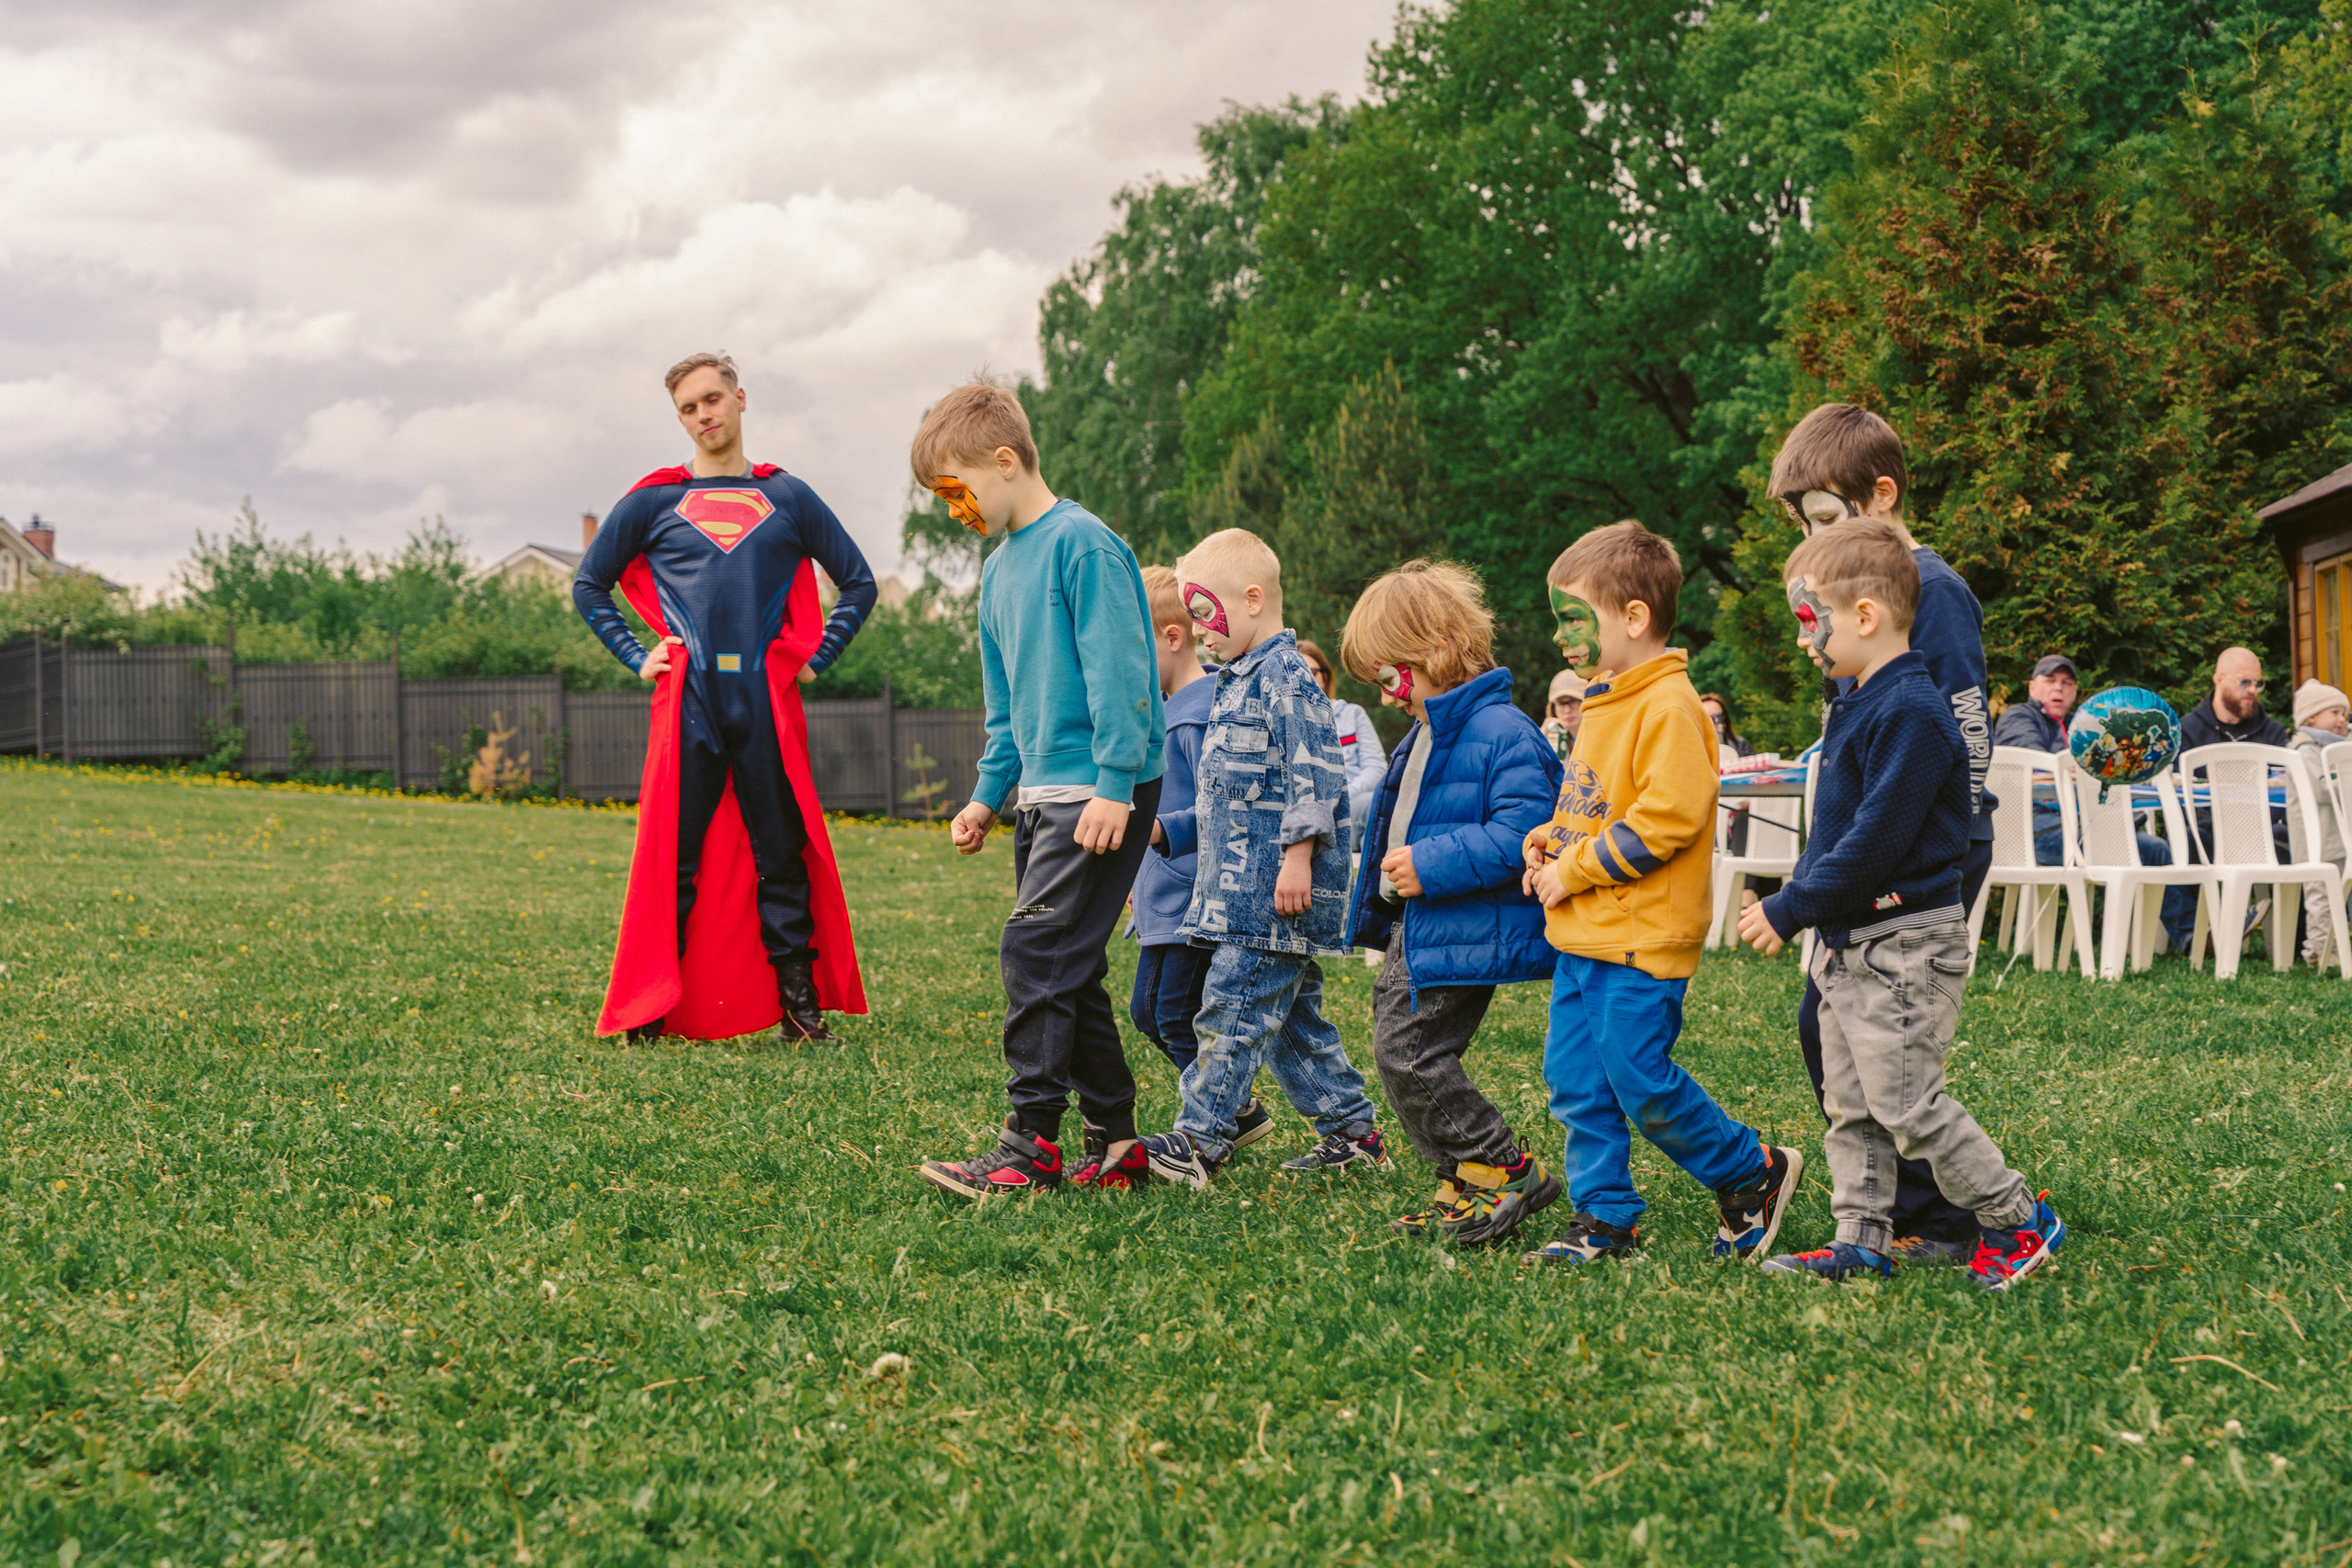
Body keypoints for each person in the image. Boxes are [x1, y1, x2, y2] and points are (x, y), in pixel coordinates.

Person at [1738, 519, 2064, 1291]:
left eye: (1807, 620)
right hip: (1851, 944)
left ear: (1864, 617)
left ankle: (2018, 1215)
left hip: (1906, 943)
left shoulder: (1915, 712)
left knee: (1907, 1101)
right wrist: (1811, 908)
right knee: (1852, 1106)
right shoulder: (1857, 702)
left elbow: (1878, 840)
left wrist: (1792, 906)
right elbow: (1834, 827)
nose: (1801, 641)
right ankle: (1863, 1236)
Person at [1518, 521, 1803, 1267]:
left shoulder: (1669, 703)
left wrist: (1573, 870)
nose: (1561, 637)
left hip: (1640, 937)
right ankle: (1605, 1217)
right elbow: (1591, 802)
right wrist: (1550, 840)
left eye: (1572, 618)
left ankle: (1752, 1169)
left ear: (1634, 617)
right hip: (1583, 935)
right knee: (1577, 1083)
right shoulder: (1605, 698)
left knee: (1640, 1080)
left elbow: (1667, 820)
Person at [914, 380, 1168, 1201]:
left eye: (958, 490)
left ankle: (1030, 1145)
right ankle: (1118, 1138)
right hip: (1043, 797)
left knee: (1034, 952)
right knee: (1068, 963)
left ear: (1005, 459)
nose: (955, 509)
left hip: (1104, 793)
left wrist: (1114, 784)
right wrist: (989, 795)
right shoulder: (997, 572)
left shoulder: (1083, 546)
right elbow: (1007, 704)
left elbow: (1124, 673)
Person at [577, 352, 873, 1044]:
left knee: (781, 849)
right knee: (673, 858)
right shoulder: (653, 499)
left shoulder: (788, 497)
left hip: (764, 703)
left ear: (740, 399)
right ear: (679, 417)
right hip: (689, 702)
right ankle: (651, 1012)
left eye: (713, 398)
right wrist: (634, 653)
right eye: (689, 406)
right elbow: (590, 583)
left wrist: (815, 658)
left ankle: (801, 1011)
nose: (704, 413)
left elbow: (858, 582)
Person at [1762, 401, 1993, 1267]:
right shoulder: (1848, 596)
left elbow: (1963, 732)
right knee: (1830, 1031)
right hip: (1863, 854)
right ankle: (1887, 1212)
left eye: (1827, 518)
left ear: (1882, 494)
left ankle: (1943, 1215)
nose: (1816, 539)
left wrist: (1930, 854)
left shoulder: (1928, 591)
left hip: (1923, 857)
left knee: (1883, 1048)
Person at [1136, 529, 1387, 1187]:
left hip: (1275, 893)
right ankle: (1354, 1133)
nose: (1198, 633)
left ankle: (1198, 1139)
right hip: (1240, 893)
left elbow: (1317, 775)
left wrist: (1299, 857)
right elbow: (1229, 799)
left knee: (1232, 1009)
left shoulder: (1288, 678)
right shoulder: (1232, 685)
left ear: (1250, 600)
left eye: (1202, 615)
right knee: (1294, 1027)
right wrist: (1169, 832)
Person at [1337, 561, 1564, 1246]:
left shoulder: (1502, 730)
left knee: (1410, 1052)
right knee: (1394, 1043)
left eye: (1388, 678)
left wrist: (1429, 865)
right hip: (1424, 924)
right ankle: (1464, 1177)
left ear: (1430, 651)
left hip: (1465, 928)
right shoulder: (1430, 729)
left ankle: (1503, 1163)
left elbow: (1524, 832)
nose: (1385, 697)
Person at [1124, 566, 1272, 1164]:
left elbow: (1216, 806)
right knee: (1147, 1011)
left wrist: (1161, 838)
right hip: (1160, 889)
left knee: (1173, 1012)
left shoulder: (1202, 710)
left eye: (1131, 645)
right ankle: (1238, 1110)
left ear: (1172, 636)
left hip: (1193, 893)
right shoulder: (1163, 709)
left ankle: (1217, 1118)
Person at [1997, 653, 2193, 951]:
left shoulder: (2080, 731)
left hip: (2072, 825)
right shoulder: (2019, 716)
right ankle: (2195, 936)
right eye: (2050, 681)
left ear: (2076, 692)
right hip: (2030, 829)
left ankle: (2194, 938)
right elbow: (2038, 764)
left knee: (2156, 847)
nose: (2059, 689)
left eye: (2067, 683)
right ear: (2032, 687)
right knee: (2148, 847)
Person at [2287, 679, 2352, 966]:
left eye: (2344, 714)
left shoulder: (2340, 745)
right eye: (2334, 713)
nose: (2341, 720)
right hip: (2315, 838)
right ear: (2311, 717)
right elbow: (2322, 789)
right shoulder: (2305, 749)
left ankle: (2332, 949)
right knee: (2320, 896)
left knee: (2337, 894)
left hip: (2338, 837)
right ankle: (2315, 949)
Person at [1297, 637, 1387, 840]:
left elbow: (1376, 768)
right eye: (1297, 673)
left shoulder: (1353, 714)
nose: (1306, 679)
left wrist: (1344, 798)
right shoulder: (1288, 724)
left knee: (1377, 805)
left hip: (1354, 804)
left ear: (1325, 677)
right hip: (1313, 814)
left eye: (1311, 672)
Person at [2181, 647, 2291, 750]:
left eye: (2258, 683)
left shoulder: (2272, 733)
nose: (2253, 690)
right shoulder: (2187, 732)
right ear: (2219, 680)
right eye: (2245, 682)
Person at [1540, 669, 1586, 761]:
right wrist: (1539, 740)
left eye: (1574, 701)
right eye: (1561, 703)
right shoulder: (1551, 738)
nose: (1567, 710)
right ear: (1553, 708)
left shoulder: (1599, 736)